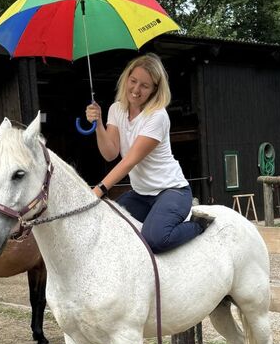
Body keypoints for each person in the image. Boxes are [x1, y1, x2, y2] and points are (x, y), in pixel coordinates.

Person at [86, 53, 211, 254]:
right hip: (141, 194)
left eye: (144, 85)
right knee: (108, 226)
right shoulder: (116, 109)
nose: (136, 90)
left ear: (155, 89)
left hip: (172, 191)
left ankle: (199, 225)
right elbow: (110, 153)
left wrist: (98, 191)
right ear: (126, 78)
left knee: (155, 239)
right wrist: (98, 123)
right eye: (133, 81)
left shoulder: (157, 116)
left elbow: (129, 162)